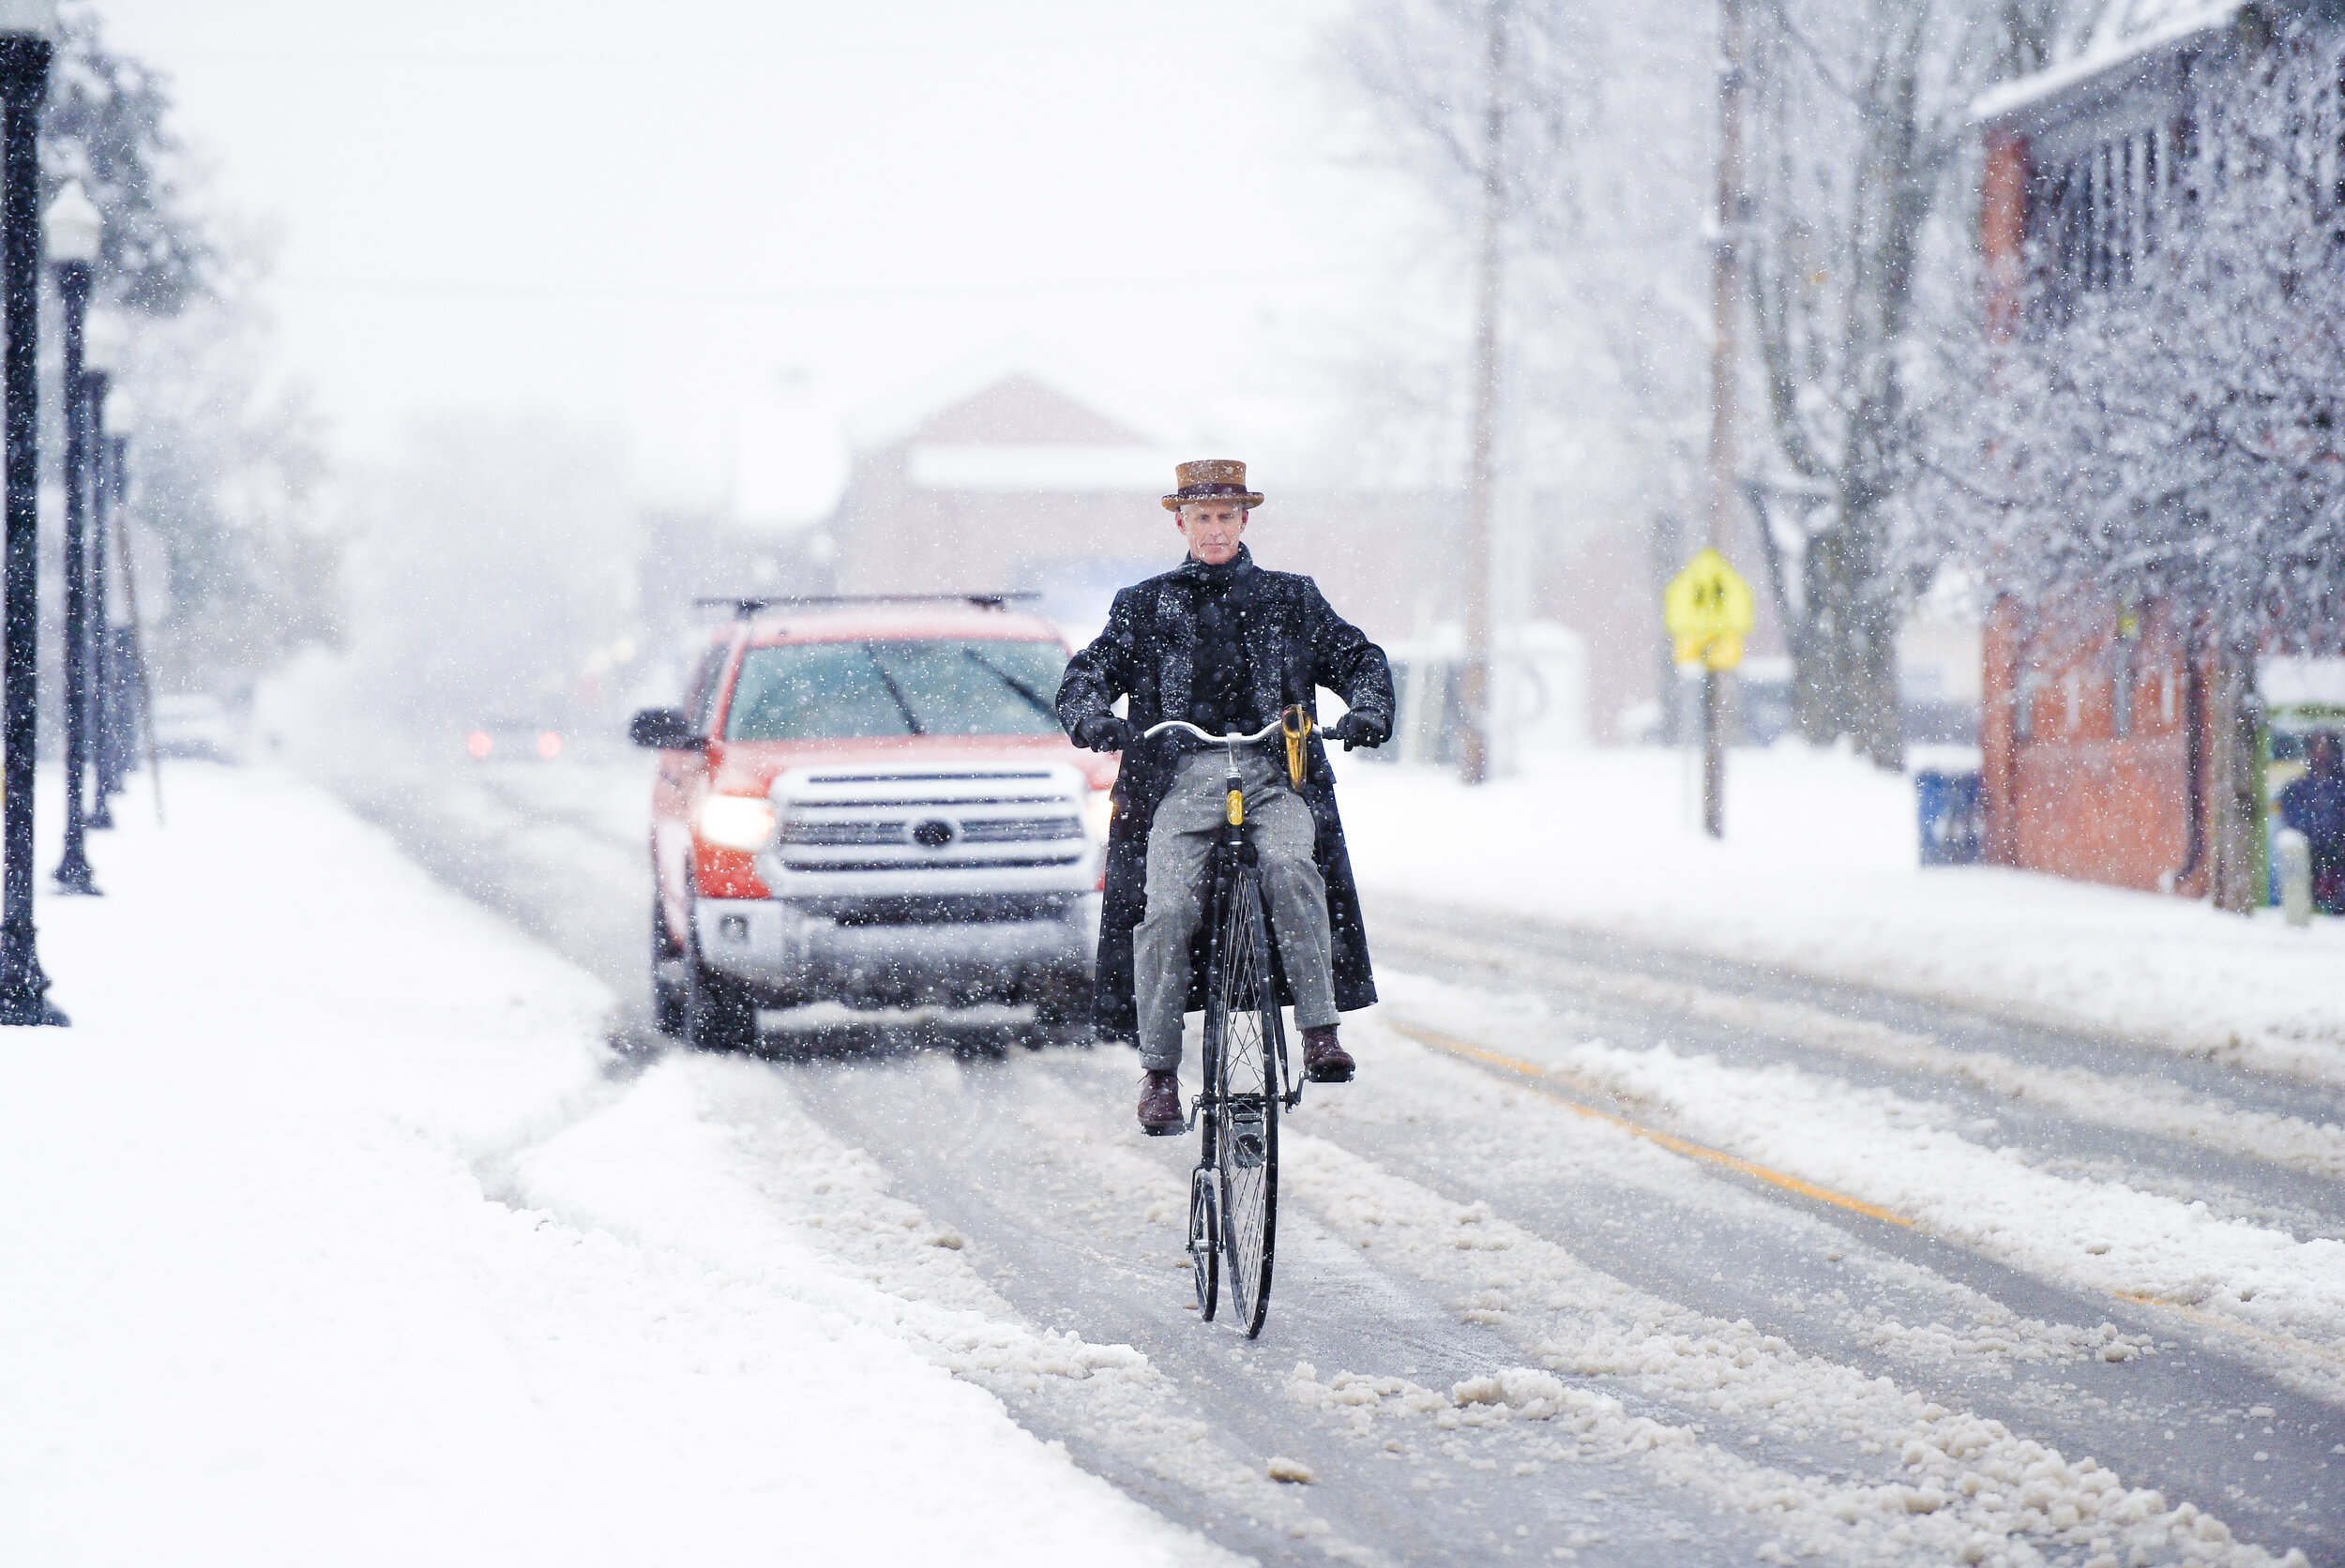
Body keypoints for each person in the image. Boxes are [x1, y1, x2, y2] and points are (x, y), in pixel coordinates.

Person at [1057, 460, 1396, 1134]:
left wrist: (1367, 709)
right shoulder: (1146, 604)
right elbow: (1087, 672)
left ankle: (1318, 1031)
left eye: (1225, 516)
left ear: (1245, 520)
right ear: (1180, 522)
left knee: (1294, 869)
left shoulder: (1291, 599)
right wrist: (1091, 715)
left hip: (1276, 775)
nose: (1213, 529)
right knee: (1168, 906)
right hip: (1181, 779)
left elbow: (1360, 658)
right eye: (1201, 517)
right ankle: (1158, 1074)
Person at [2279, 731, 2345, 914]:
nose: (2321, 754)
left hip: (2338, 854)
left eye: (2326, 748)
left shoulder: (2340, 786)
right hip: (2311, 853)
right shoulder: (2297, 788)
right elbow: (2293, 817)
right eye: (2317, 748)